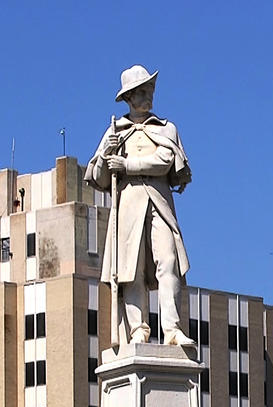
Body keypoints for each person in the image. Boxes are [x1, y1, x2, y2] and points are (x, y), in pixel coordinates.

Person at [85, 65, 194, 347]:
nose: (149, 96)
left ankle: (171, 329)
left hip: (159, 202)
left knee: (167, 260)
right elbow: (96, 177)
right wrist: (108, 153)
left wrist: (127, 164)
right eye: (142, 92)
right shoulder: (114, 131)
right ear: (130, 98)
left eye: (150, 90)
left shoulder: (166, 127)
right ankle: (138, 330)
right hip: (129, 206)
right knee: (130, 269)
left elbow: (165, 160)